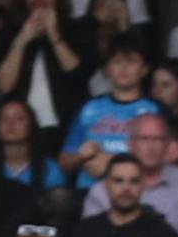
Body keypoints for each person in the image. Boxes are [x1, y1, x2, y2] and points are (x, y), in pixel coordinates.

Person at [57, 30, 158, 187]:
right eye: (117, 61)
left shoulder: (156, 110)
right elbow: (64, 164)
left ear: (144, 69)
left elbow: (165, 161)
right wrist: (80, 157)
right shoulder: (89, 109)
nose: (123, 67)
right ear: (106, 69)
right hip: (89, 196)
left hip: (138, 197)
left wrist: (110, 162)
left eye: (131, 61)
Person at [0, 0, 88, 143]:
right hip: (21, 131)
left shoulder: (77, 29)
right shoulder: (8, 33)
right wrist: (21, 41)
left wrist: (54, 36)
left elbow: (78, 77)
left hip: (68, 127)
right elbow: (4, 85)